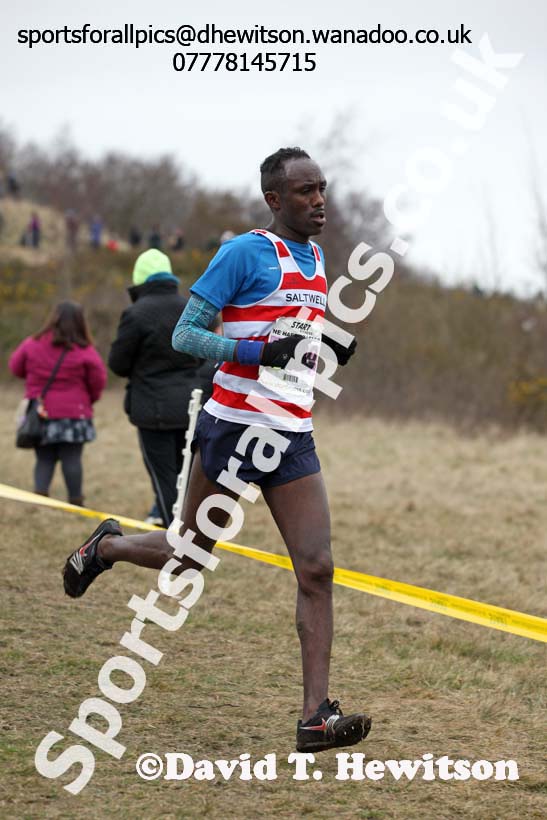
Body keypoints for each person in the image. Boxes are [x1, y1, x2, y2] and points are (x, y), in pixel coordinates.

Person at [63, 147, 368, 753]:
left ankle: (314, 717)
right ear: (274, 199)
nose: (319, 200)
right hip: (232, 427)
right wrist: (260, 354)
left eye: (322, 189)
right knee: (188, 554)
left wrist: (326, 347)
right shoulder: (242, 253)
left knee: (317, 567)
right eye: (305, 191)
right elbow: (187, 334)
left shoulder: (315, 257)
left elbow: (287, 332)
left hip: (291, 433)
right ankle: (109, 545)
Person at [107, 248, 214, 527]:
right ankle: (192, 539)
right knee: (188, 476)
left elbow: (118, 363)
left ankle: (173, 538)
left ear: (139, 279)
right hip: (191, 406)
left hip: (152, 409)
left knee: (164, 478)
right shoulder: (190, 308)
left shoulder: (135, 314)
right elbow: (205, 354)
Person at [9, 301, 106, 505]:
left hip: (41, 412)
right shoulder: (84, 350)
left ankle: (40, 497)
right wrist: (89, 400)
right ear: (80, 322)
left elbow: (15, 367)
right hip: (75, 413)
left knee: (44, 458)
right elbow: (99, 381)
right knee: (72, 459)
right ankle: (76, 501)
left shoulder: (32, 343)